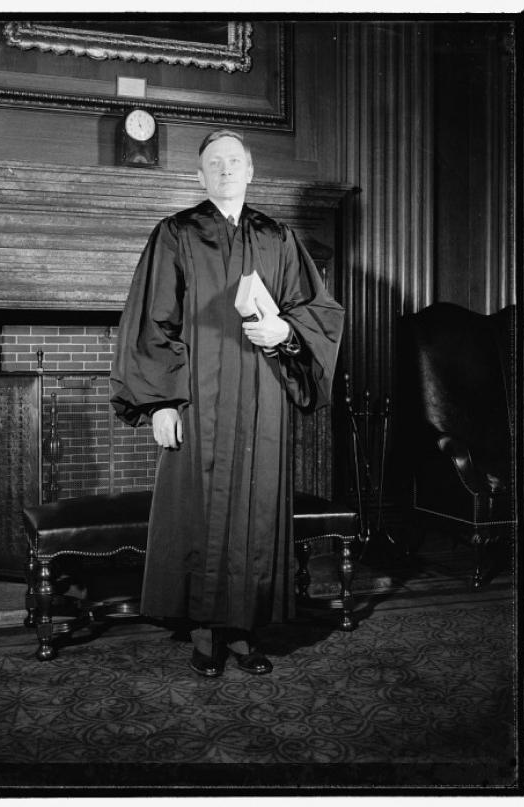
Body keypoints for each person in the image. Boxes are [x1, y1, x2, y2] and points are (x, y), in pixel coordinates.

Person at [111, 130, 345, 677]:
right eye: (213, 163)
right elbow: (152, 321)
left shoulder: (278, 236)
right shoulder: (176, 233)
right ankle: (203, 635)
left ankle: (244, 633)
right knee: (200, 510)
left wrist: (285, 331)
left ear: (250, 170)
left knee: (256, 514)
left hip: (263, 398)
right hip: (198, 399)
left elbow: (317, 310)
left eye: (233, 161)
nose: (224, 170)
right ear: (199, 176)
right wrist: (160, 404)